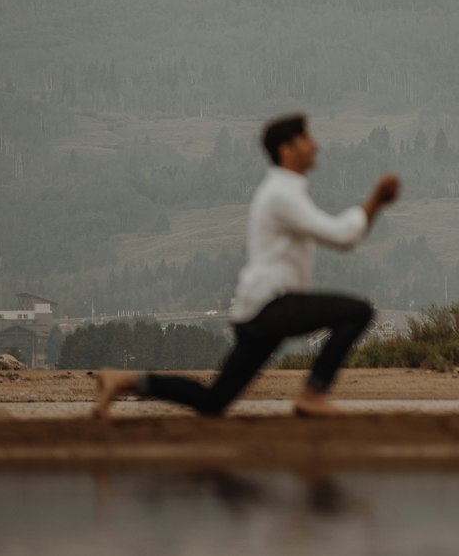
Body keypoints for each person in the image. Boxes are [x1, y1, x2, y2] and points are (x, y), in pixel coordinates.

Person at [94, 113, 399, 418]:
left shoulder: (284, 190)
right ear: (286, 149)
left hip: (256, 312)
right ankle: (313, 394)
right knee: (359, 312)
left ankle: (124, 381)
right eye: (307, 139)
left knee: (214, 401)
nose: (315, 146)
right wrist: (377, 199)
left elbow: (343, 236)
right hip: (272, 306)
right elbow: (342, 236)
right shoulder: (281, 193)